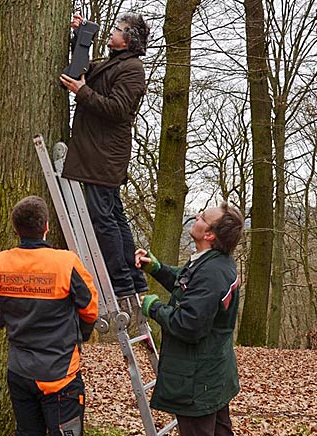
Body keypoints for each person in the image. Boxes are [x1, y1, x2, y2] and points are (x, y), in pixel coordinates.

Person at [0, 196, 99, 436]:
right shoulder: (66, 262)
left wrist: (6, 320)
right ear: (46, 227)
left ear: (16, 229)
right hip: (60, 374)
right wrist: (80, 334)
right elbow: (90, 308)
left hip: (20, 371)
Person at [59, 12, 151, 298]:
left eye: (118, 29)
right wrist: (81, 36)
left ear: (130, 39)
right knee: (112, 214)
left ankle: (121, 281)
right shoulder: (116, 62)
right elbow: (84, 68)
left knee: (103, 217)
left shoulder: (133, 68)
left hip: (104, 154)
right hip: (99, 151)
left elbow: (117, 109)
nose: (113, 32)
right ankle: (132, 279)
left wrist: (82, 91)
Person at [135, 202, 245, 436]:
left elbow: (188, 325)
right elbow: (187, 284)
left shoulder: (212, 272)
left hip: (198, 382)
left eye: (203, 217)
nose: (196, 216)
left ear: (209, 234)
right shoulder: (212, 262)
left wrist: (154, 308)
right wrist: (157, 268)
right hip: (212, 376)